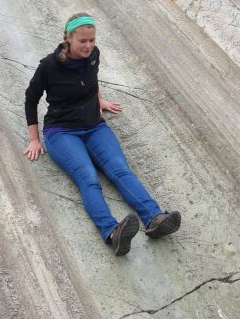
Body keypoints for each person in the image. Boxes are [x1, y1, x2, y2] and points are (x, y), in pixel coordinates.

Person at [24, 13, 181, 256]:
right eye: (82, 41)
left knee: (120, 169)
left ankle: (155, 219)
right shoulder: (49, 66)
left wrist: (100, 100)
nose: (88, 46)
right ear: (68, 38)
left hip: (95, 126)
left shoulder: (93, 56)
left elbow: (91, 80)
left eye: (92, 40)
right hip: (62, 132)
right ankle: (112, 232)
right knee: (88, 177)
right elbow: (31, 99)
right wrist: (34, 138)